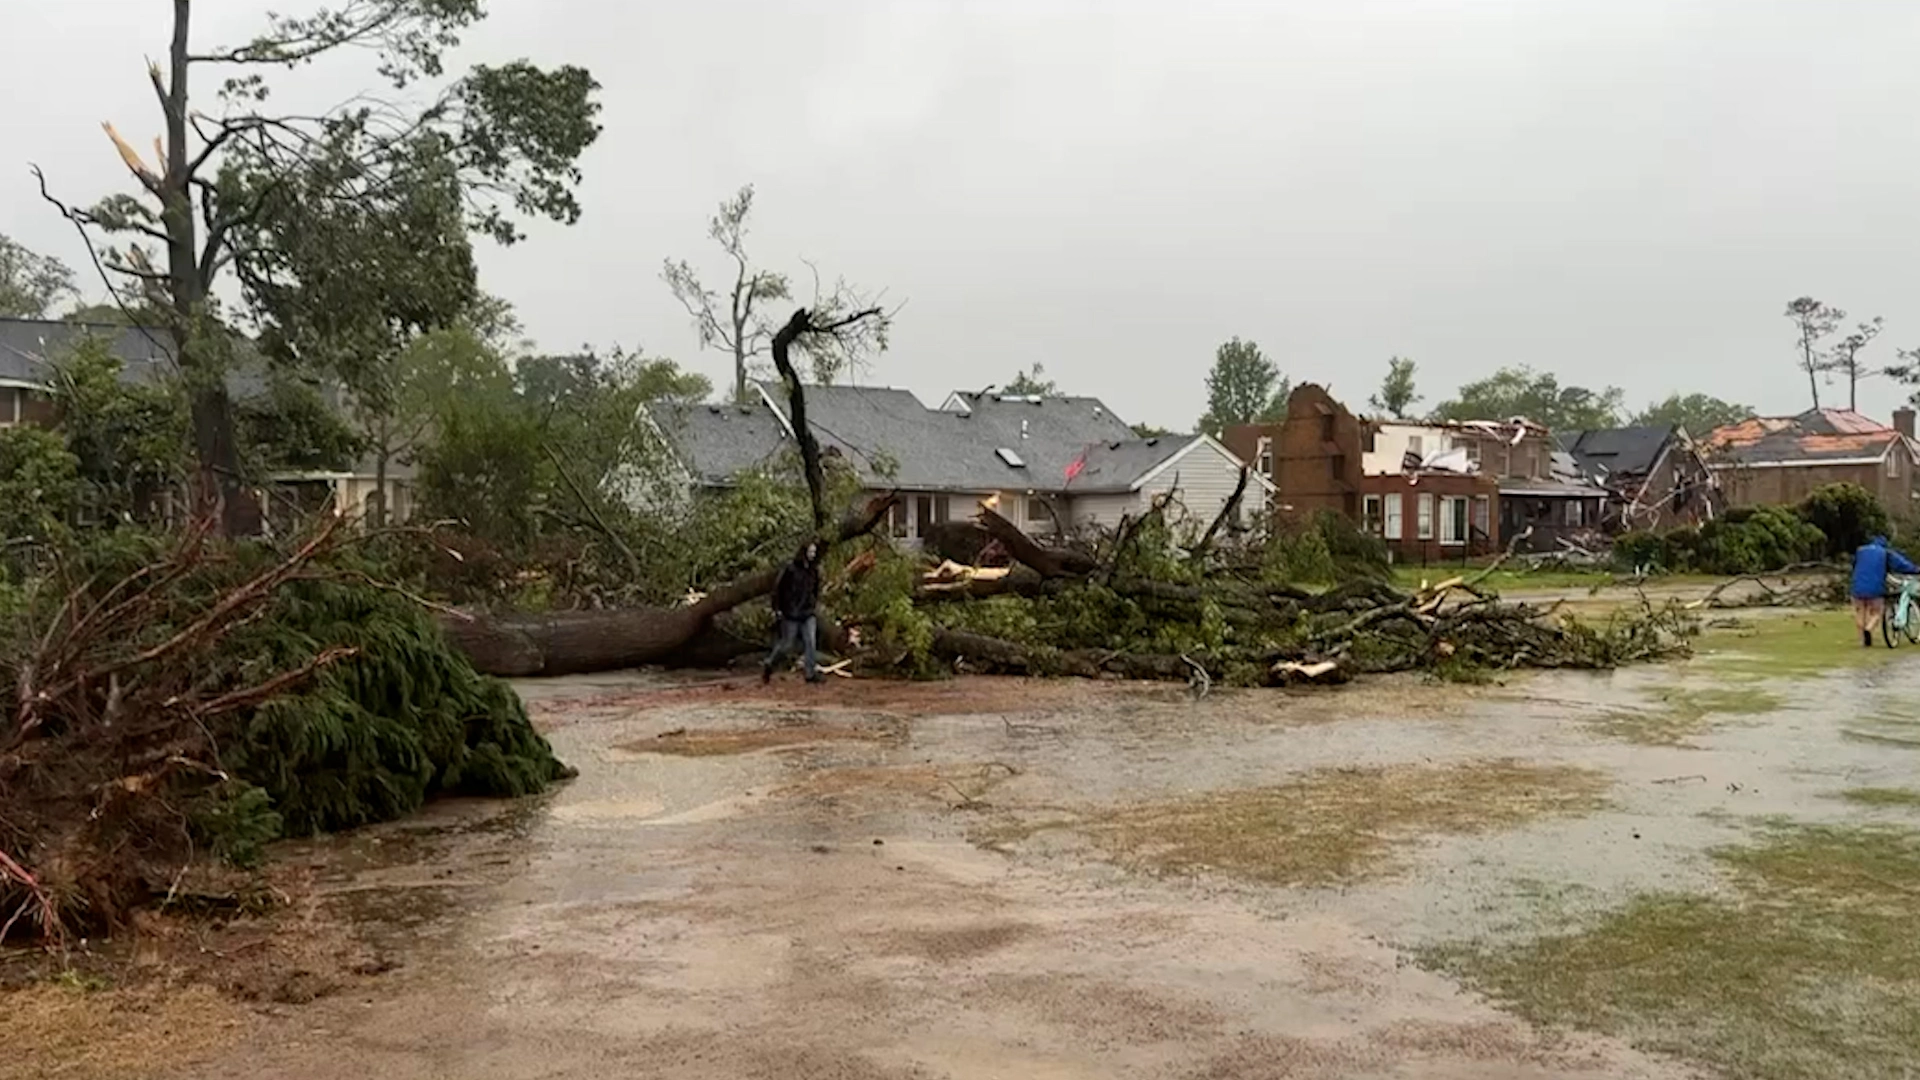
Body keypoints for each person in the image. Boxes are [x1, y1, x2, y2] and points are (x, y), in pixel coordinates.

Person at [763, 540, 824, 683]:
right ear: (803, 551)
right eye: (810, 551)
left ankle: (810, 673)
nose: (812, 555)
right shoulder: (790, 569)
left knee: (810, 642)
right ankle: (770, 663)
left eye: (814, 552)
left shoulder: (814, 571)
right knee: (787, 644)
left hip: (807, 612)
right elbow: (778, 589)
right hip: (791, 613)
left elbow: (815, 590)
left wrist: (813, 603)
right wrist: (777, 609)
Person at [1850, 534, 1918, 647]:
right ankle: (1869, 629)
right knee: (1877, 611)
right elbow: (1902, 565)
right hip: (1875, 587)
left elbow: (1854, 565)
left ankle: (1862, 640)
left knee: (1860, 611)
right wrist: (1916, 569)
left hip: (1857, 586)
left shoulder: (1860, 551)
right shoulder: (1885, 553)